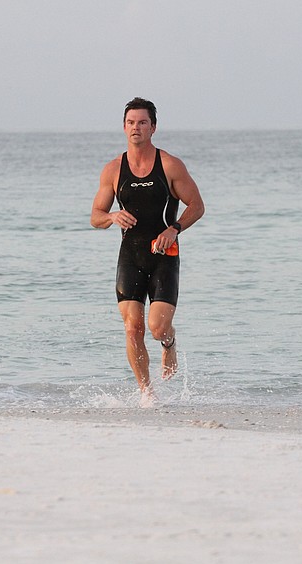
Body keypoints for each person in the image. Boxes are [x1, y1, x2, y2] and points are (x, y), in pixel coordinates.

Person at [91, 97, 205, 407]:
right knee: (132, 328)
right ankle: (147, 392)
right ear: (124, 127)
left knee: (156, 328)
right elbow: (96, 216)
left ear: (153, 127)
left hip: (164, 255)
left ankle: (169, 342)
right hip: (131, 255)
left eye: (142, 122)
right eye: (131, 122)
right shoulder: (114, 169)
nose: (136, 127)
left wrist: (174, 229)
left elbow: (197, 206)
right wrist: (113, 216)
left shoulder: (169, 165)